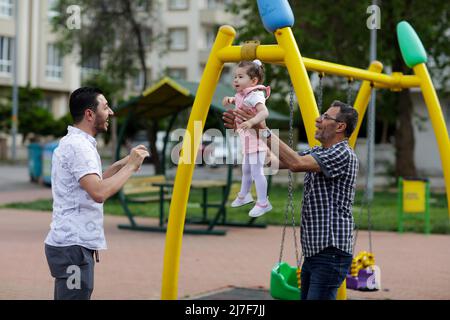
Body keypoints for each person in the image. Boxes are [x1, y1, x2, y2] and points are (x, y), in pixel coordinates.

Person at [223, 100, 359, 300]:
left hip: (331, 252)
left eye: (325, 117)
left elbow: (296, 163)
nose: (317, 119)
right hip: (316, 252)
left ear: (340, 126)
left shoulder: (343, 153)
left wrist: (263, 130)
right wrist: (249, 131)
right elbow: (274, 161)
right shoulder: (318, 152)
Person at [44, 87, 149, 300]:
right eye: (105, 107)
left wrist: (125, 163)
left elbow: (94, 182)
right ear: (90, 114)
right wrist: (131, 168)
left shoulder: (76, 143)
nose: (110, 112)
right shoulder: (79, 147)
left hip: (73, 244)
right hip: (73, 246)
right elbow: (98, 192)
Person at [222, 60, 272, 218]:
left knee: (257, 172)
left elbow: (264, 112)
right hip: (248, 140)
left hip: (257, 140)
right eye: (235, 76)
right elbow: (240, 101)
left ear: (254, 81)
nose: (235, 79)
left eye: (240, 76)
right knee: (246, 170)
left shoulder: (255, 94)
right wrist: (230, 99)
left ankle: (263, 202)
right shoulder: (243, 95)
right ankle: (244, 196)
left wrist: (251, 121)